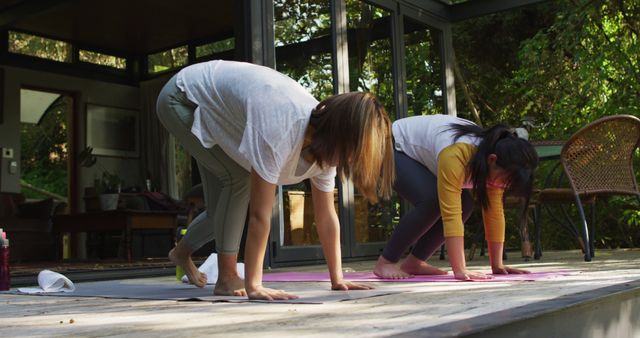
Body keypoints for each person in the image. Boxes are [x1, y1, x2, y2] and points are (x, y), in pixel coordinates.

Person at [156, 60, 395, 300]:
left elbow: (326, 216)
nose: (351, 161)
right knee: (239, 179)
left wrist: (338, 279)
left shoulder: (325, 151)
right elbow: (260, 215)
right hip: (182, 97)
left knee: (224, 208)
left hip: (216, 110)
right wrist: (254, 285)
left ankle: (181, 252)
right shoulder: (281, 126)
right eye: (354, 152)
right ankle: (227, 276)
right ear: (340, 136)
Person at [373, 114, 538, 280]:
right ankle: (386, 261)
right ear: (492, 160)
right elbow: (451, 214)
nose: (502, 187)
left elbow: (494, 212)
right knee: (432, 201)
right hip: (389, 145)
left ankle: (414, 262)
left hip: (417, 154)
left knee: (465, 204)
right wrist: (460, 270)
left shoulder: (493, 161)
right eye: (504, 182)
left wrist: (497, 265)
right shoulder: (457, 154)